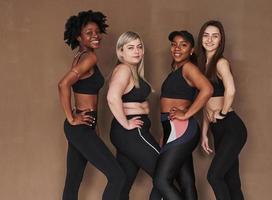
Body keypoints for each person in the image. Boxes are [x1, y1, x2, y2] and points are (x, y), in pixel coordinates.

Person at [58, 10, 125, 200]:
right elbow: (63, 84)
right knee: (117, 176)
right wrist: (71, 118)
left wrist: (90, 123)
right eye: (89, 33)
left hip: (84, 125)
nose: (95, 35)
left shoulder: (81, 56)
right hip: (80, 127)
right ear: (79, 37)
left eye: (97, 31)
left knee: (73, 181)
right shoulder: (89, 58)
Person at [153, 30, 213, 200]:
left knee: (161, 181)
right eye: (174, 44)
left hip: (182, 129)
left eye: (183, 45)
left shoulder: (188, 68)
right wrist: (165, 134)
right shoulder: (177, 70)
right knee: (186, 181)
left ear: (191, 50)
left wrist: (186, 114)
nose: (177, 48)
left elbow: (207, 89)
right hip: (173, 130)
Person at [107, 31, 162, 200]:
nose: (136, 51)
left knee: (123, 184)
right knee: (165, 173)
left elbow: (126, 98)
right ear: (120, 51)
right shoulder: (124, 69)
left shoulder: (132, 71)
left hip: (129, 134)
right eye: (130, 48)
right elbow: (112, 97)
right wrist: (126, 123)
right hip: (131, 133)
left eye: (139, 47)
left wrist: (141, 107)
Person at [198, 20, 247, 200]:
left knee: (214, 176)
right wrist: (204, 132)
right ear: (201, 38)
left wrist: (223, 113)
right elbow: (205, 102)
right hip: (217, 128)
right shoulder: (202, 65)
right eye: (206, 35)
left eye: (215, 36)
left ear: (221, 40)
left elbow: (231, 90)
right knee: (231, 179)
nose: (210, 40)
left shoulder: (220, 62)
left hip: (231, 126)